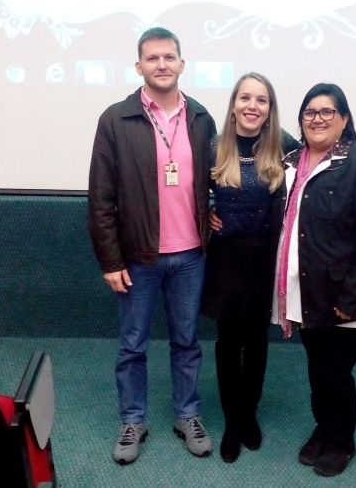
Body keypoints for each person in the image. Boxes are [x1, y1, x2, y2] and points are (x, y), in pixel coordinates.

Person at [88, 27, 217, 465]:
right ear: (139, 66)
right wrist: (110, 260)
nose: (162, 64)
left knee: (187, 341)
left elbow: (214, 179)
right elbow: (101, 197)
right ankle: (132, 420)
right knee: (132, 346)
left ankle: (187, 414)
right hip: (137, 258)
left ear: (182, 63)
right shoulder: (115, 120)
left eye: (169, 57)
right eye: (152, 58)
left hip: (191, 255)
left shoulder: (201, 118)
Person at [271, 83, 356, 477]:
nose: (317, 119)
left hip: (344, 295)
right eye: (310, 112)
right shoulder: (291, 161)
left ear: (344, 119)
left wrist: (352, 298)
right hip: (305, 290)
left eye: (327, 111)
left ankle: (341, 441)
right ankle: (324, 429)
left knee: (335, 371)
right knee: (317, 366)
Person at [201, 72, 300, 463]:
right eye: (245, 98)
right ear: (233, 105)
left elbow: (308, 182)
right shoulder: (213, 147)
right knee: (228, 343)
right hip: (226, 259)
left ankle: (248, 415)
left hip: (265, 258)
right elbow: (187, 195)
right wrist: (205, 214)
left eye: (261, 100)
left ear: (269, 109)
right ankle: (231, 421)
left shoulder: (284, 145)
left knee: (257, 341)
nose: (252, 106)